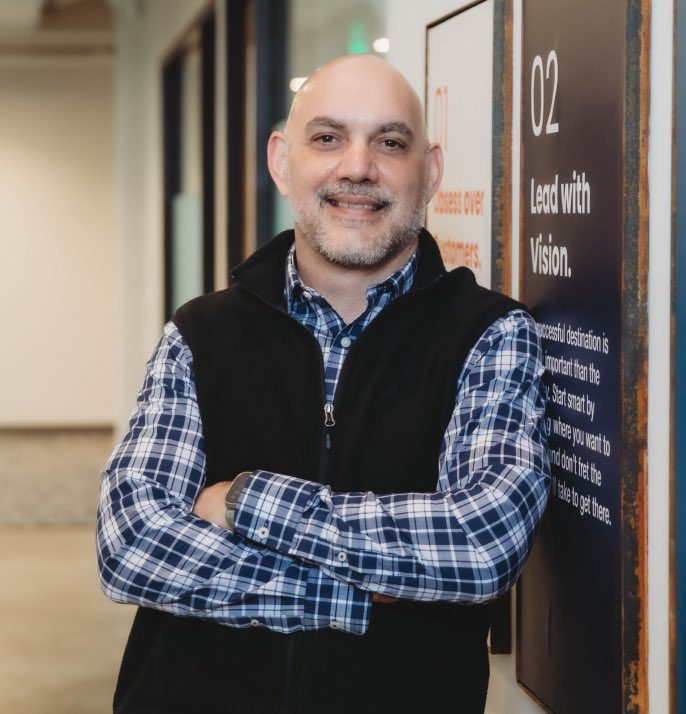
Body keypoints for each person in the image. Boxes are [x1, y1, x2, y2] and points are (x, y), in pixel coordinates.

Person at [97, 54, 550, 714]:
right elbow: (131, 545)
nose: (358, 167)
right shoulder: (200, 333)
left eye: (391, 142)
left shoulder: (491, 334)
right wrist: (349, 592)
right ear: (283, 161)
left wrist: (245, 501)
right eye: (328, 137)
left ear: (431, 172)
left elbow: (480, 544)